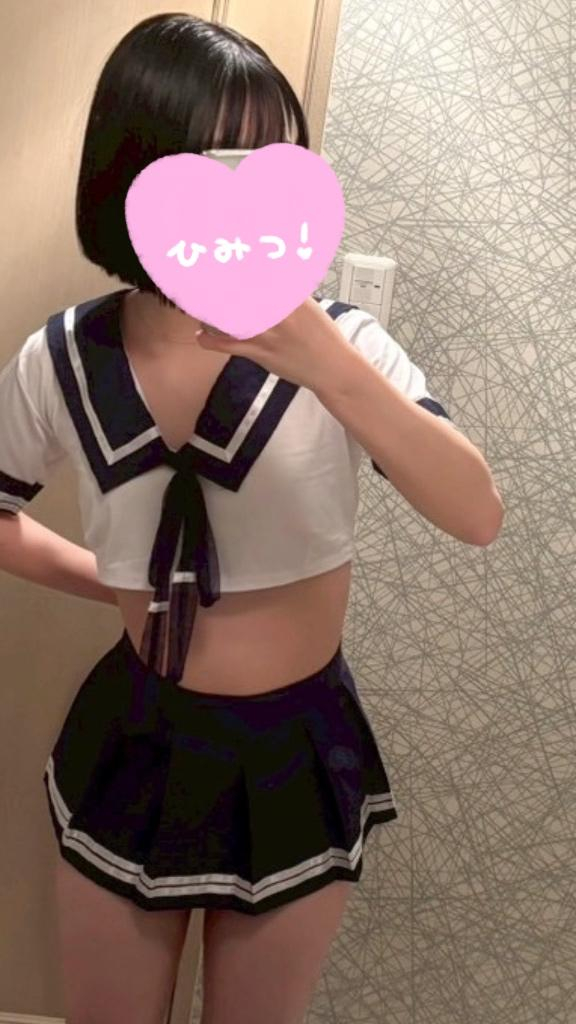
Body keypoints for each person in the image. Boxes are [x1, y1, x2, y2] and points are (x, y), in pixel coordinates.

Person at [0, 13, 503, 1024]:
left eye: (276, 164)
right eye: (214, 166)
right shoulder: (62, 359)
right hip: (136, 735)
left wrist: (329, 364)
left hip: (296, 748)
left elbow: (476, 512)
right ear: (134, 176)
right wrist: (118, 581)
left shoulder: (347, 346)